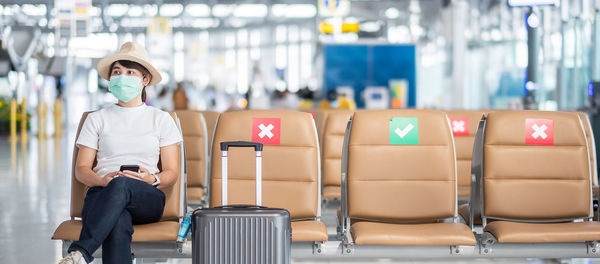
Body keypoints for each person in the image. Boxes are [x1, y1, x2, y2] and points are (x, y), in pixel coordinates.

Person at [58, 42, 182, 264]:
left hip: (146, 197)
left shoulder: (161, 119)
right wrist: (103, 181)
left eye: (130, 72)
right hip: (101, 195)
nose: (121, 77)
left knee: (121, 184)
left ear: (145, 79)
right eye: (117, 72)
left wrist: (152, 178)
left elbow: (172, 172)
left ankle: (81, 252)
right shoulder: (96, 119)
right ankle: (81, 254)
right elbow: (82, 169)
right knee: (117, 221)